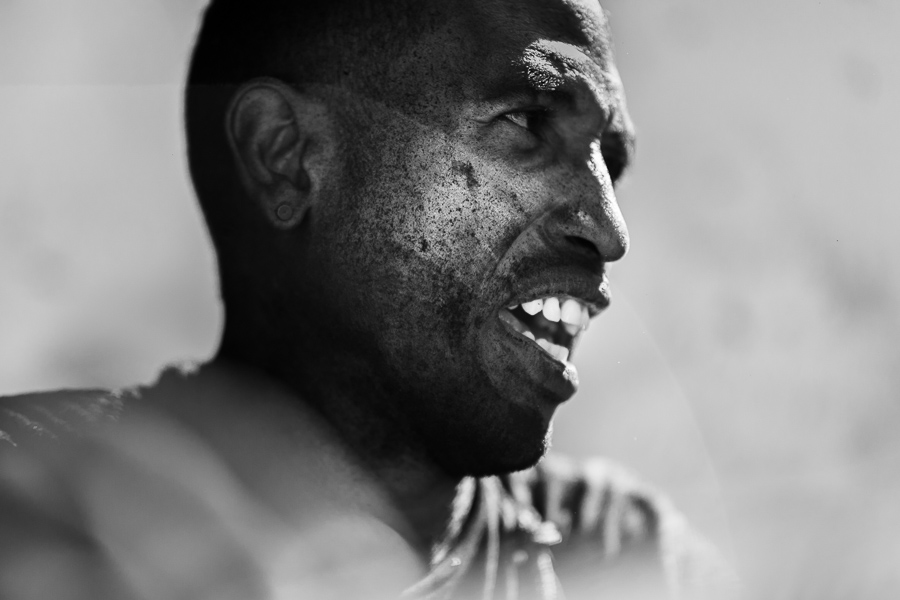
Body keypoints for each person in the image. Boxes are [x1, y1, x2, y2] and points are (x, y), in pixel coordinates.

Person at [0, 0, 738, 598]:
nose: (609, 230)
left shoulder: (632, 559)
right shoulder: (37, 504)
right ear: (285, 157)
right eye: (528, 122)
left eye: (609, 162)